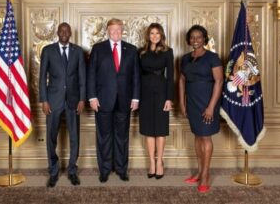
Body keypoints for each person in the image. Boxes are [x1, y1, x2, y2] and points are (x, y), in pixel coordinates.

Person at [87, 18, 140, 183]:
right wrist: (92, 97)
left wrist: (136, 97)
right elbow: (91, 75)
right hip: (102, 100)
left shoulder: (131, 49)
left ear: (122, 30)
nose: (116, 33)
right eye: (113, 30)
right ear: (107, 31)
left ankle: (121, 169)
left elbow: (136, 76)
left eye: (119, 30)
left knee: (122, 137)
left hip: (125, 100)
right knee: (104, 136)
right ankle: (104, 170)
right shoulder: (98, 49)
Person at [39, 22, 86, 187]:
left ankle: (72, 170)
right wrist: (44, 100)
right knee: (51, 137)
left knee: (74, 137)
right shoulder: (48, 50)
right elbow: (42, 77)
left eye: (67, 30)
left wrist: (82, 99)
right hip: (53, 101)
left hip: (74, 101)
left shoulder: (78, 51)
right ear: (57, 33)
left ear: (70, 33)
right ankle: (53, 171)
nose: (64, 32)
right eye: (62, 30)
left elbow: (82, 77)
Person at [179, 25, 223, 193]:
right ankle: (199, 172)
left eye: (198, 37)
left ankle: (205, 176)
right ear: (188, 40)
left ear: (205, 38)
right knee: (197, 136)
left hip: (207, 101)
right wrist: (182, 103)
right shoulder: (185, 58)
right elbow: (182, 80)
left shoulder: (212, 57)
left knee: (205, 137)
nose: (195, 40)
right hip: (192, 101)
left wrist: (211, 107)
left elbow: (219, 81)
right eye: (192, 37)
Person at [139, 23, 174, 179]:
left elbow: (171, 76)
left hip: (161, 93)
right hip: (145, 93)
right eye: (152, 33)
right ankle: (151, 163)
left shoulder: (168, 52)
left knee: (160, 129)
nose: (154, 36)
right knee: (148, 130)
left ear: (161, 35)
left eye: (157, 33)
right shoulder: (140, 52)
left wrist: (169, 98)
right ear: (148, 35)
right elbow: (136, 76)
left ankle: (160, 161)